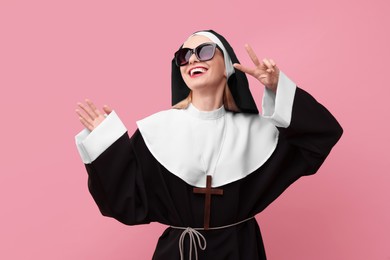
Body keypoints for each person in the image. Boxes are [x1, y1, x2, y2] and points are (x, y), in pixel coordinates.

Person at [75, 29, 343, 260]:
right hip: (177, 253)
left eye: (203, 51)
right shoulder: (156, 131)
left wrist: (277, 88)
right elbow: (124, 203)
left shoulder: (260, 133)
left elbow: (319, 137)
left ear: (227, 65)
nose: (191, 58)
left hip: (241, 251)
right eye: (184, 55)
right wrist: (106, 142)